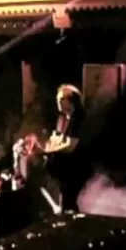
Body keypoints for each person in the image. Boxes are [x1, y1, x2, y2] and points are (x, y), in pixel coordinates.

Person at [43, 84, 86, 212]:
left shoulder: (78, 119)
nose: (58, 101)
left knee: (69, 203)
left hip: (74, 170)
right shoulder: (65, 119)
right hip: (66, 173)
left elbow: (72, 145)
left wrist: (50, 149)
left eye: (61, 99)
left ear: (71, 101)